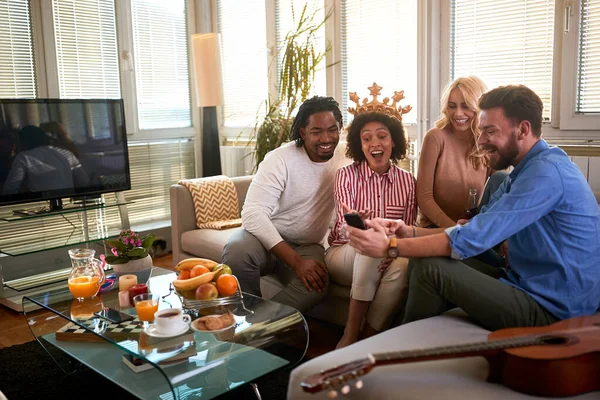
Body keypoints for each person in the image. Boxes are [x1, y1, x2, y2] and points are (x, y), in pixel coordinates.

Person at [346, 85, 600, 331]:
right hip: (525, 282)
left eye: (489, 131)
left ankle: (405, 352)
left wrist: (391, 247)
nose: (480, 139)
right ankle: (419, 343)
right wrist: (404, 231)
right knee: (428, 261)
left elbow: (470, 239)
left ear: (522, 130)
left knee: (431, 267)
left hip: (554, 309)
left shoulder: (544, 174)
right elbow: (470, 229)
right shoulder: (524, 171)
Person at [222, 96, 345, 313]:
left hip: (308, 245)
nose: (326, 138)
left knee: (317, 284)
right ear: (302, 132)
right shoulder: (279, 159)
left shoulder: (346, 156)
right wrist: (296, 262)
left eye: (332, 129)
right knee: (236, 252)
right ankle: (244, 314)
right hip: (265, 240)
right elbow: (252, 213)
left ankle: (254, 328)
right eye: (316, 131)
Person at [326, 86, 416, 348]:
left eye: (382, 136)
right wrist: (361, 227)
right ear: (359, 144)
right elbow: (344, 227)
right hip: (342, 253)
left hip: (390, 252)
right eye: (366, 138)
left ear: (394, 141)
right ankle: (351, 334)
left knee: (402, 266)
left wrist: (392, 250)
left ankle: (369, 339)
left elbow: (408, 230)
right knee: (369, 245)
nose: (374, 143)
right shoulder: (345, 176)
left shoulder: (408, 182)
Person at [417, 76, 494, 228]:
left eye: (466, 106)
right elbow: (424, 197)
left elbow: (500, 193)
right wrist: (454, 232)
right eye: (452, 106)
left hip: (473, 230)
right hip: (435, 229)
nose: (458, 113)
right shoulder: (435, 138)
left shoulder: (489, 142)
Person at [3, 125, 89, 195]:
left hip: (41, 206)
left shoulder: (24, 157)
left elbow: (10, 189)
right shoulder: (66, 153)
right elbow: (84, 182)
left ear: (23, 141)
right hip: (69, 202)